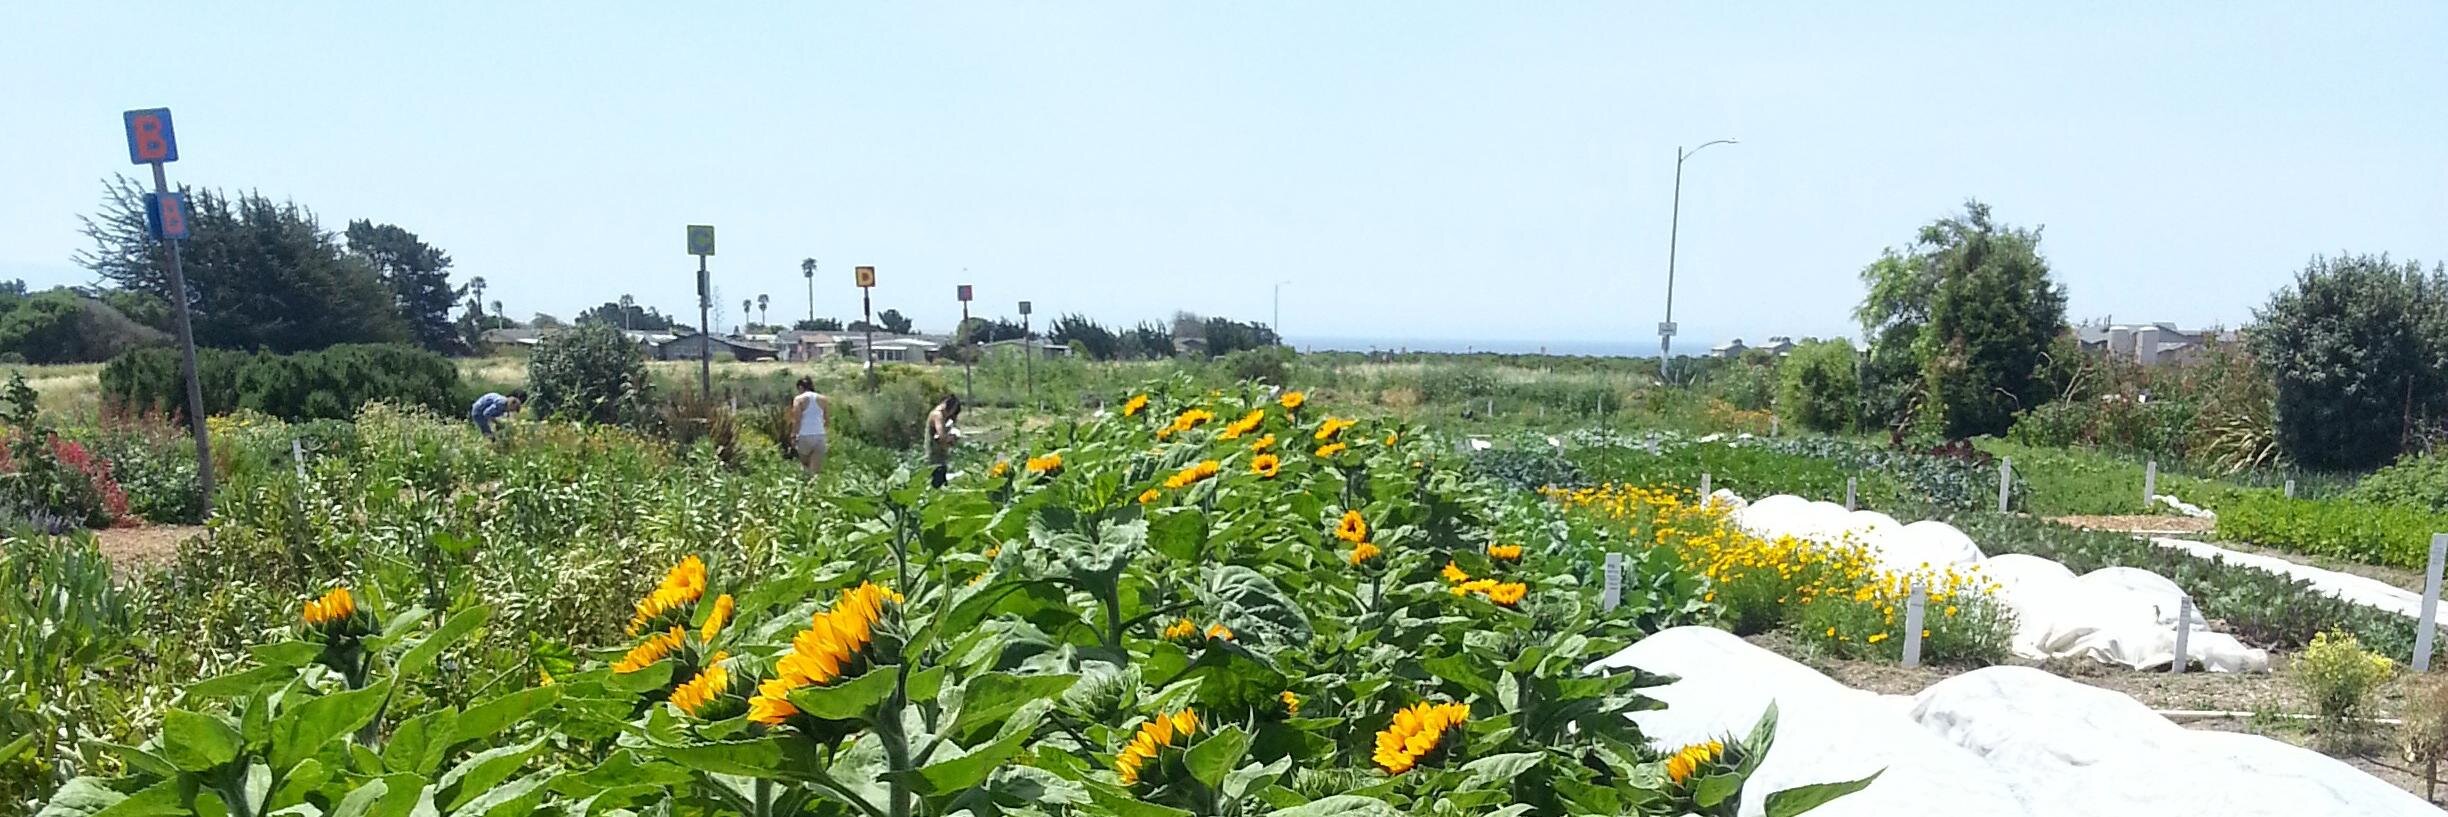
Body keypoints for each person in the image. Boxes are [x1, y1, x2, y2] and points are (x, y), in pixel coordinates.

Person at [785, 377, 831, 475]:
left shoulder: (799, 399)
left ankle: (805, 485)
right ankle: (813, 487)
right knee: (815, 470)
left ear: (801, 387)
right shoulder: (823, 399)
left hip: (804, 435)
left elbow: (797, 420)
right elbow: (827, 420)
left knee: (805, 464)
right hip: (819, 435)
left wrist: (793, 435)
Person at [926, 394, 962, 488]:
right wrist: (952, 438)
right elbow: (941, 436)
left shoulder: (939, 415)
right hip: (935, 459)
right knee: (938, 488)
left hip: (939, 458)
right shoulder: (938, 415)